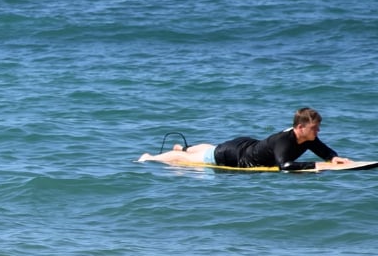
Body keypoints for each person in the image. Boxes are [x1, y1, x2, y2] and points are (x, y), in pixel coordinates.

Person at [138, 108, 351, 171]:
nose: (318, 131)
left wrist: (333, 158)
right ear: (300, 127)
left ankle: (186, 147)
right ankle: (152, 157)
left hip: (246, 145)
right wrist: (317, 165)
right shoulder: (284, 141)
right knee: (184, 160)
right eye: (315, 128)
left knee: (212, 148)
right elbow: (284, 166)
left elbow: (325, 151)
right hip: (234, 156)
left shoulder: (308, 139)